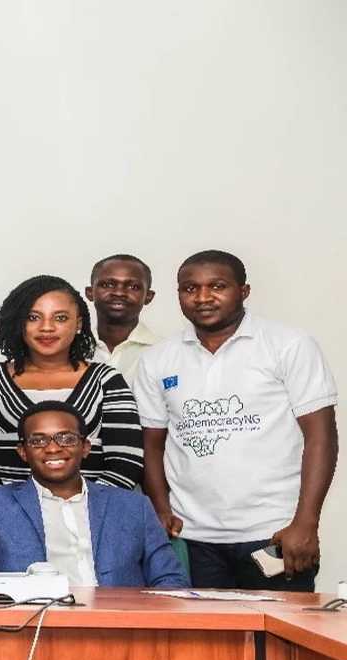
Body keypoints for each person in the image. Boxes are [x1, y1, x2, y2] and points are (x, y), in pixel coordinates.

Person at [135, 250, 338, 591]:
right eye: (190, 288)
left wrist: (306, 522)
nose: (202, 297)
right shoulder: (158, 359)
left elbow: (321, 437)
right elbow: (152, 444)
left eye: (217, 286)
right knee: (201, 628)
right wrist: (160, 508)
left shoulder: (288, 345)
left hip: (275, 531)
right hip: (192, 536)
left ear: (244, 291)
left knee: (278, 627)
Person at [0, 401, 187, 588]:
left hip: (118, 631)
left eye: (66, 438)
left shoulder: (133, 507)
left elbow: (172, 581)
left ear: (85, 447)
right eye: (38, 441)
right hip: (28, 630)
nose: (53, 448)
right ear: (23, 452)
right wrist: (4, 594)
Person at [0, 275, 144, 497]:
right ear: (19, 323)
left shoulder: (106, 380)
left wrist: (83, 509)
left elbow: (126, 461)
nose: (46, 327)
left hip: (94, 513)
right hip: (3, 514)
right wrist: (12, 509)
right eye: (33, 317)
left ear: (78, 324)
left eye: (60, 318)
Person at [85, 254, 159, 387]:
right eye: (108, 284)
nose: (119, 293)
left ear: (148, 296)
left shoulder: (165, 352)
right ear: (90, 292)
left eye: (133, 287)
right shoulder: (70, 350)